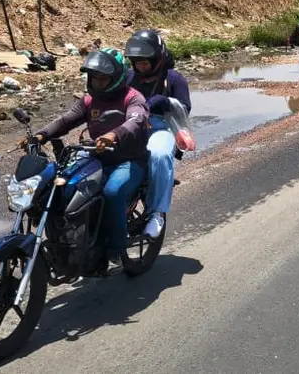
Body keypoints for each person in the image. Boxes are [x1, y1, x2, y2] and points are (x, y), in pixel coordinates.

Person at [21, 48, 150, 265]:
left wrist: (113, 135)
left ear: (117, 76)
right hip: (95, 158)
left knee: (113, 191)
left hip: (129, 160)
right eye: (94, 77)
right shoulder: (89, 101)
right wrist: (41, 135)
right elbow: (66, 120)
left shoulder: (133, 98)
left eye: (103, 78)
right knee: (61, 185)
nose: (98, 82)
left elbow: (135, 122)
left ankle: (116, 248)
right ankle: (70, 238)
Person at [124, 29, 192, 239]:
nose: (140, 66)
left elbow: (184, 110)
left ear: (157, 59)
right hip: (130, 126)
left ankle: (157, 213)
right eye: (137, 62)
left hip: (162, 128)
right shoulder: (129, 77)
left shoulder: (174, 79)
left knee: (159, 155)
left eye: (145, 62)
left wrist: (166, 102)